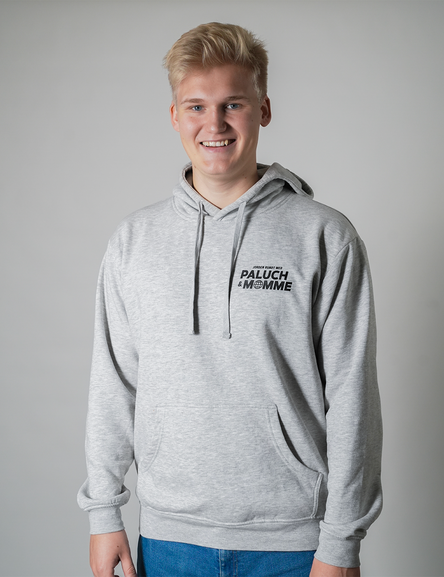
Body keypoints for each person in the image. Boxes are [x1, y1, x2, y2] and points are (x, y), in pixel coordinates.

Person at [78, 22, 382, 577]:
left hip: (295, 544)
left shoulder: (324, 236)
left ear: (263, 110)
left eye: (232, 104)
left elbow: (352, 397)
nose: (214, 124)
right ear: (175, 116)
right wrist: (104, 513)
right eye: (196, 106)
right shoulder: (134, 241)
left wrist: (341, 541)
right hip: (168, 539)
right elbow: (113, 384)